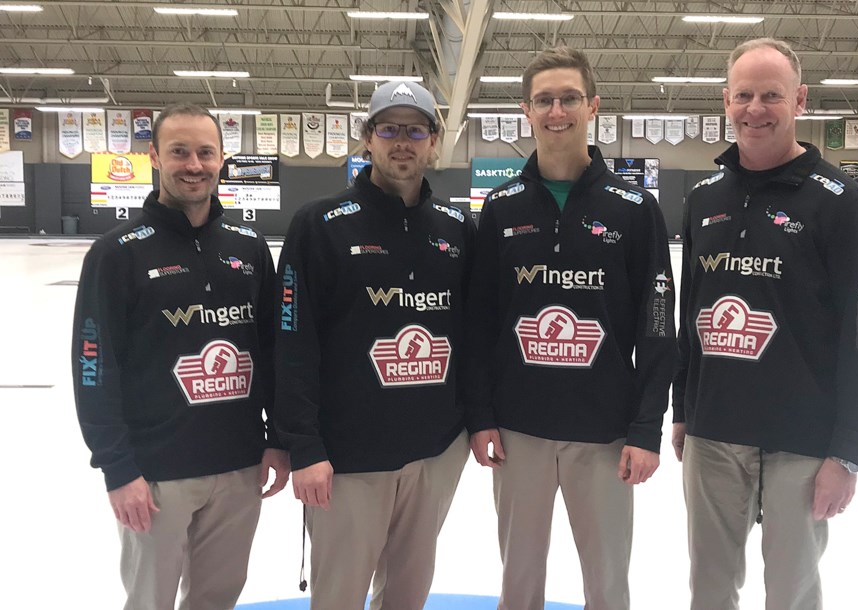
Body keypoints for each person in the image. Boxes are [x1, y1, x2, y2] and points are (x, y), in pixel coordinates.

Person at [673, 38, 858, 610]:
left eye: (772, 95)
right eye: (744, 95)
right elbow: (689, 316)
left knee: (790, 593)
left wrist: (847, 452)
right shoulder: (703, 199)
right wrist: (682, 410)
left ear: (800, 100)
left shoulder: (840, 201)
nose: (756, 109)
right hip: (714, 433)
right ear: (725, 101)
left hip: (802, 441)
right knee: (709, 589)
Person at [465, 47, 677, 610]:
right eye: (544, 100)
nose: (556, 110)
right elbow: (480, 321)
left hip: (605, 434)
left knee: (608, 584)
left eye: (569, 98)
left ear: (593, 107)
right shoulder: (501, 207)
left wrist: (646, 427)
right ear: (526, 112)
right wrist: (481, 416)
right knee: (519, 584)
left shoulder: (634, 208)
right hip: (517, 433)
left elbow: (659, 324)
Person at [71, 102, 289, 610]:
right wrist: (118, 469)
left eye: (205, 152)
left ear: (222, 159)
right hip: (155, 474)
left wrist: (277, 438)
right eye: (180, 152)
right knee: (151, 600)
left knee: (218, 597)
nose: (194, 164)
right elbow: (93, 365)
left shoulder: (250, 247)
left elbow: (276, 349)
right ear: (154, 157)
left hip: (239, 466)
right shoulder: (117, 253)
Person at [274, 81, 473, 610]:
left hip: (434, 454)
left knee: (408, 596)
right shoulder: (318, 225)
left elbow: (476, 335)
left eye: (415, 130)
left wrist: (471, 426)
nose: (401, 142)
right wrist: (304, 446)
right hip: (346, 461)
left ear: (434, 141)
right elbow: (293, 341)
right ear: (367, 138)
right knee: (338, 597)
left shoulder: (457, 229)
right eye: (389, 129)